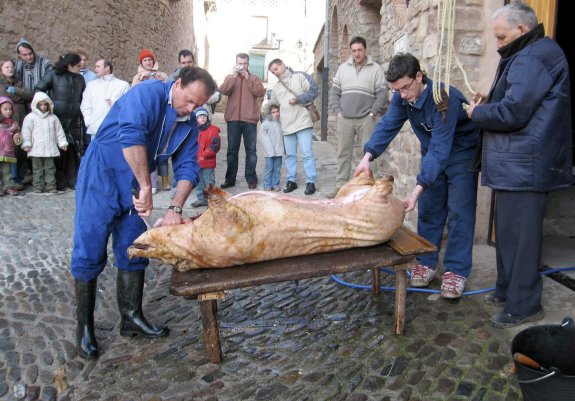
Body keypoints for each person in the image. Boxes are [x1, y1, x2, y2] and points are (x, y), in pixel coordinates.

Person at [70, 66, 216, 359]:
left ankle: (131, 318)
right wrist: (146, 184)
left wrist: (175, 207)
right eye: (188, 100)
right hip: (102, 174)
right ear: (176, 84)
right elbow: (131, 135)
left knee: (135, 248)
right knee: (89, 247)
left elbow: (188, 166)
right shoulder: (147, 93)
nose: (190, 108)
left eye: (197, 105)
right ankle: (84, 327)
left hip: (135, 182)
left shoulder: (189, 122)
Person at [466, 3, 573, 328]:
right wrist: (491, 98)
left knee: (522, 239)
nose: (497, 43)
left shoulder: (533, 56)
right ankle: (506, 289)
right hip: (517, 164)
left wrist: (476, 114)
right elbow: (517, 98)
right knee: (510, 236)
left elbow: (514, 112)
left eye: (500, 37)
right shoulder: (531, 52)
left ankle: (524, 304)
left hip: (524, 165)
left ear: (521, 30)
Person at [354, 53, 479, 299]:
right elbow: (388, 124)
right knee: (430, 209)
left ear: (419, 77)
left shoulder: (443, 98)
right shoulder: (403, 98)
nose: (402, 95)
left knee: (459, 210)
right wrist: (367, 156)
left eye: (405, 88)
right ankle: (427, 261)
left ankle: (456, 270)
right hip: (434, 150)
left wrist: (415, 190)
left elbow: (442, 147)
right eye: (396, 90)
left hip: (460, 152)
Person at [328, 36, 387, 198]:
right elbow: (335, 92)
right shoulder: (343, 68)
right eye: (353, 51)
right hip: (345, 118)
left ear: (365, 50)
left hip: (366, 118)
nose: (357, 54)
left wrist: (373, 113)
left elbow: (382, 93)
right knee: (343, 153)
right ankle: (340, 187)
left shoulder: (375, 68)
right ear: (351, 51)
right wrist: (338, 110)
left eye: (359, 50)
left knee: (369, 153)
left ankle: (370, 189)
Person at [35, 52, 86, 191]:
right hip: (56, 118)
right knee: (56, 150)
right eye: (77, 65)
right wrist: (47, 108)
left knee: (71, 150)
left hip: (74, 119)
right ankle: (58, 181)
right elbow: (39, 89)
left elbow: (82, 97)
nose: (80, 66)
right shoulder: (53, 74)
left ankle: (72, 179)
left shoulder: (80, 79)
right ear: (69, 65)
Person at [268, 58, 318, 195]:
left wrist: (299, 99)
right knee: (290, 155)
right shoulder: (276, 87)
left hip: (303, 122)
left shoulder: (300, 76)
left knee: (307, 154)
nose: (276, 73)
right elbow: (273, 105)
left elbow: (314, 90)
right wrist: (268, 115)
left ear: (283, 65)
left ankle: (311, 181)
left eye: (276, 69)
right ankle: (292, 181)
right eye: (273, 72)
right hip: (287, 125)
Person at [219, 52, 266, 190]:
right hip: (233, 119)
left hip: (250, 120)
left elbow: (260, 93)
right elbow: (224, 90)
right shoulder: (230, 77)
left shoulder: (254, 78)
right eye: (240, 63)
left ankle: (251, 179)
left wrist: (248, 79)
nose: (243, 66)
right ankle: (230, 179)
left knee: (251, 151)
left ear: (248, 64)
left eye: (245, 63)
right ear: (236, 63)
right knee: (232, 151)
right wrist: (234, 77)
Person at [132, 49, 169, 193]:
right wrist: (140, 80)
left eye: (150, 60)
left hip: (158, 112)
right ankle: (142, 181)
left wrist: (160, 81)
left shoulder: (162, 75)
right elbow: (132, 92)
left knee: (157, 148)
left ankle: (156, 181)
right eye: (145, 60)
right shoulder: (137, 77)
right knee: (143, 149)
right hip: (143, 114)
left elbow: (167, 92)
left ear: (154, 61)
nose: (148, 63)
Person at [21, 92, 68, 193]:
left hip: (50, 148)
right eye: (41, 104)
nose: (43, 107)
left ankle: (51, 186)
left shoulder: (53, 118)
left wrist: (63, 143)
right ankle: (38, 186)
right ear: (36, 105)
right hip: (36, 148)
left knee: (50, 168)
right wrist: (27, 143)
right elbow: (26, 132)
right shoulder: (30, 117)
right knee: (37, 169)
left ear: (48, 105)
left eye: (45, 104)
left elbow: (59, 132)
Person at [80, 59, 130, 146]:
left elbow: (127, 106)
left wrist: (114, 105)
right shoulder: (91, 85)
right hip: (96, 129)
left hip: (115, 130)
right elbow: (85, 105)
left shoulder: (123, 85)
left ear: (107, 68)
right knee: (96, 157)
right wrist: (89, 121)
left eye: (98, 67)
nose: (95, 69)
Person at [0, 58, 33, 190]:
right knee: (7, 150)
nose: (10, 69)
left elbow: (29, 95)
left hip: (21, 118)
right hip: (6, 121)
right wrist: (20, 95)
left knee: (19, 148)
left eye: (11, 67)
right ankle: (8, 181)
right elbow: (4, 96)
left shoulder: (18, 82)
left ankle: (18, 179)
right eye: (7, 67)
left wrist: (15, 90)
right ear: (1, 69)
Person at [191, 106, 221, 208]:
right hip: (197, 162)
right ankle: (201, 199)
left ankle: (212, 201)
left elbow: (215, 146)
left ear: (207, 117)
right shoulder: (194, 131)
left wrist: (204, 155)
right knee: (199, 183)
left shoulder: (213, 130)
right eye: (199, 117)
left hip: (208, 162)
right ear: (196, 119)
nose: (202, 118)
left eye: (204, 116)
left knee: (209, 183)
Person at [259, 101, 284, 191]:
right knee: (269, 168)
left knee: (277, 168)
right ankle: (267, 184)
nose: (276, 114)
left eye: (277, 111)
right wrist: (270, 150)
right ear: (269, 113)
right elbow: (264, 138)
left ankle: (275, 183)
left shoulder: (280, 122)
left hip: (279, 151)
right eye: (273, 112)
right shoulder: (266, 124)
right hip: (269, 152)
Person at [0, 96, 21, 196]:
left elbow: (17, 135)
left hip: (8, 151)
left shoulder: (13, 124)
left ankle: (8, 187)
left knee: (7, 171)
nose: (8, 111)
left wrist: (17, 136)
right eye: (5, 109)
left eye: (10, 109)